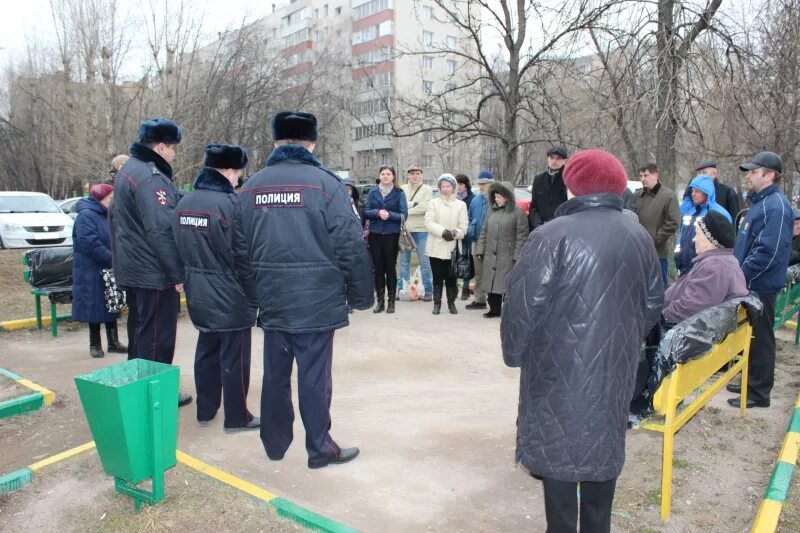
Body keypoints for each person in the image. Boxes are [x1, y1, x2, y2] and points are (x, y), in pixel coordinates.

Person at [501, 149, 663, 533]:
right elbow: (655, 301)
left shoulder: (550, 235)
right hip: (613, 370)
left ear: (572, 186)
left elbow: (522, 306)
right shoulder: (638, 235)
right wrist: (622, 341)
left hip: (558, 370)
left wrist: (515, 353)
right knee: (601, 453)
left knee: (560, 452)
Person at [233, 111, 372, 469]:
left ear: (276, 142)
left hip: (273, 297)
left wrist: (253, 295)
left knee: (276, 373)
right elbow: (349, 242)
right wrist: (360, 294)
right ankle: (319, 448)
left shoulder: (252, 186)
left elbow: (238, 249)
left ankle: (275, 444)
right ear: (312, 143)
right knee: (314, 376)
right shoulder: (326, 184)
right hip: (317, 299)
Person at [174, 144, 259, 433]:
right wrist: (255, 294)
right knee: (234, 357)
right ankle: (237, 417)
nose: (238, 181)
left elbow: (175, 244)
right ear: (229, 170)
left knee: (206, 351)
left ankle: (205, 410)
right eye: (238, 174)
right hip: (231, 293)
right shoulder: (230, 205)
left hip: (198, 290)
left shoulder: (184, 202)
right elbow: (242, 255)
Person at [113, 118, 191, 407]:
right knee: (158, 335)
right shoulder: (151, 177)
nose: (173, 154)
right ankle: (154, 394)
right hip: (154, 272)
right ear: (161, 146)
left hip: (136, 267)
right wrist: (177, 273)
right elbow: (161, 229)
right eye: (172, 149)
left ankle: (138, 388)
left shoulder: (130, 170)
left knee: (141, 330)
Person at [727, 152, 793, 409]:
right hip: (751, 283)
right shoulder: (761, 204)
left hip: (760, 285)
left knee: (761, 337)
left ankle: (758, 392)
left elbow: (769, 252)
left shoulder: (775, 205)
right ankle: (751, 379)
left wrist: (742, 276)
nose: (748, 176)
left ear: (770, 175)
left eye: (754, 172)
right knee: (751, 336)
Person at [71, 183, 127, 358]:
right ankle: (94, 344)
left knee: (111, 303)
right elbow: (89, 243)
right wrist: (111, 258)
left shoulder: (108, 214)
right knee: (93, 307)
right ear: (100, 199)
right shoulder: (86, 216)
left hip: (107, 268)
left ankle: (113, 342)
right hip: (91, 270)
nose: (113, 202)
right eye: (110, 198)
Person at [664, 211, 748, 323]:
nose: (694, 239)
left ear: (711, 239)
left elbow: (691, 308)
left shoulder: (715, 266)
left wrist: (661, 316)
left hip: (680, 328)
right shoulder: (721, 261)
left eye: (697, 234)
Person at [475, 181, 528, 318]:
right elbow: (484, 232)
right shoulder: (491, 211)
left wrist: (518, 255)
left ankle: (509, 309)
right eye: (495, 196)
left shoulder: (518, 212)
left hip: (507, 254)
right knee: (491, 282)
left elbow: (522, 236)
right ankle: (494, 309)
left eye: (499, 196)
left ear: (507, 197)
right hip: (490, 253)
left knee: (505, 283)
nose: (496, 199)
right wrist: (480, 249)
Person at [106, 153, 138, 361]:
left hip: (131, 268)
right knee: (139, 323)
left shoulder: (121, 195)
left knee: (138, 321)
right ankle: (141, 370)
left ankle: (137, 364)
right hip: (133, 269)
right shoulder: (120, 198)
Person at [363, 166, 408, 314]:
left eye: (388, 174)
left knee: (390, 268)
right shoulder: (372, 192)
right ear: (379, 176)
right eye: (383, 174)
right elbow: (366, 212)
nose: (385, 176)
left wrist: (389, 215)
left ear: (393, 176)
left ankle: (391, 302)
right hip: (375, 234)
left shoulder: (399, 193)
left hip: (391, 235)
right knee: (378, 269)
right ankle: (380, 302)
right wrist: (377, 213)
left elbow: (403, 215)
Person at [424, 173, 468, 315]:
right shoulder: (433, 203)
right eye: (443, 186)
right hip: (436, 246)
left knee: (451, 278)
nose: (445, 189)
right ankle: (437, 304)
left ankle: (451, 303)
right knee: (437, 277)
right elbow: (429, 223)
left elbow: (464, 227)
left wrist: (454, 233)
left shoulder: (461, 205)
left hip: (452, 248)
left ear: (454, 187)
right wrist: (443, 232)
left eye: (448, 186)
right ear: (439, 188)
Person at [674, 174, 732, 276]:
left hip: (706, 270)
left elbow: (725, 244)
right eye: (692, 191)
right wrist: (678, 257)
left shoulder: (718, 213)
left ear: (706, 192)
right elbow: (681, 236)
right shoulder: (689, 212)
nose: (693, 194)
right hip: (685, 269)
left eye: (697, 191)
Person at [635, 163, 681, 288]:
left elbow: (673, 222)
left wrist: (655, 239)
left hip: (657, 254)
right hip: (638, 253)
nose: (643, 178)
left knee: (658, 289)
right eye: (641, 176)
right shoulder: (637, 196)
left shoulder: (668, 195)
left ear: (656, 175)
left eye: (646, 175)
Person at [399, 164, 433, 301]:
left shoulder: (427, 189)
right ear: (408, 175)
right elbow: (399, 206)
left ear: (421, 175)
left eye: (417, 173)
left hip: (421, 230)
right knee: (403, 263)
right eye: (412, 173)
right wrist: (415, 204)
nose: (415, 176)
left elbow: (426, 207)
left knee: (424, 262)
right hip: (405, 231)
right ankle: (403, 290)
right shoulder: (402, 188)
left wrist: (407, 209)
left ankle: (428, 291)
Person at [465, 170, 494, 310]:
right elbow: (470, 218)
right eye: (480, 184)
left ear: (491, 183)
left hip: (493, 241)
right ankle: (479, 299)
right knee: (479, 271)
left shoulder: (496, 199)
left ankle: (496, 301)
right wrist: (470, 230)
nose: (482, 187)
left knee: (494, 271)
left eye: (485, 184)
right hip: (477, 241)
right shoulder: (475, 200)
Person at [528, 146, 568, 231]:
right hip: (539, 229)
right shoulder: (539, 179)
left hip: (560, 228)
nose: (554, 161)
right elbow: (534, 207)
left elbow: (567, 207)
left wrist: (549, 225)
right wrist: (537, 225)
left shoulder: (568, 180)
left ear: (564, 161)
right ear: (548, 159)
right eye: (551, 157)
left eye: (558, 158)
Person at [455, 174, 476, 300]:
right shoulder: (452, 198)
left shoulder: (472, 199)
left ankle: (466, 288)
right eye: (456, 184)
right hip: (454, 233)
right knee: (455, 260)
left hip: (466, 234)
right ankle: (455, 286)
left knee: (466, 260)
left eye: (461, 184)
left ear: (466, 185)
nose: (458, 187)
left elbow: (472, 217)